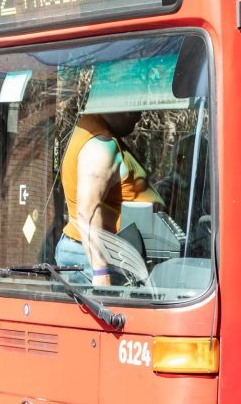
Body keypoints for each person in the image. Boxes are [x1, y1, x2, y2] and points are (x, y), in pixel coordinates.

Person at [54, 111, 162, 284]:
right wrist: (101, 272)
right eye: (135, 106)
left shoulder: (97, 132)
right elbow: (88, 209)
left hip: (105, 253)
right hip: (96, 256)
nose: (139, 115)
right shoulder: (99, 144)